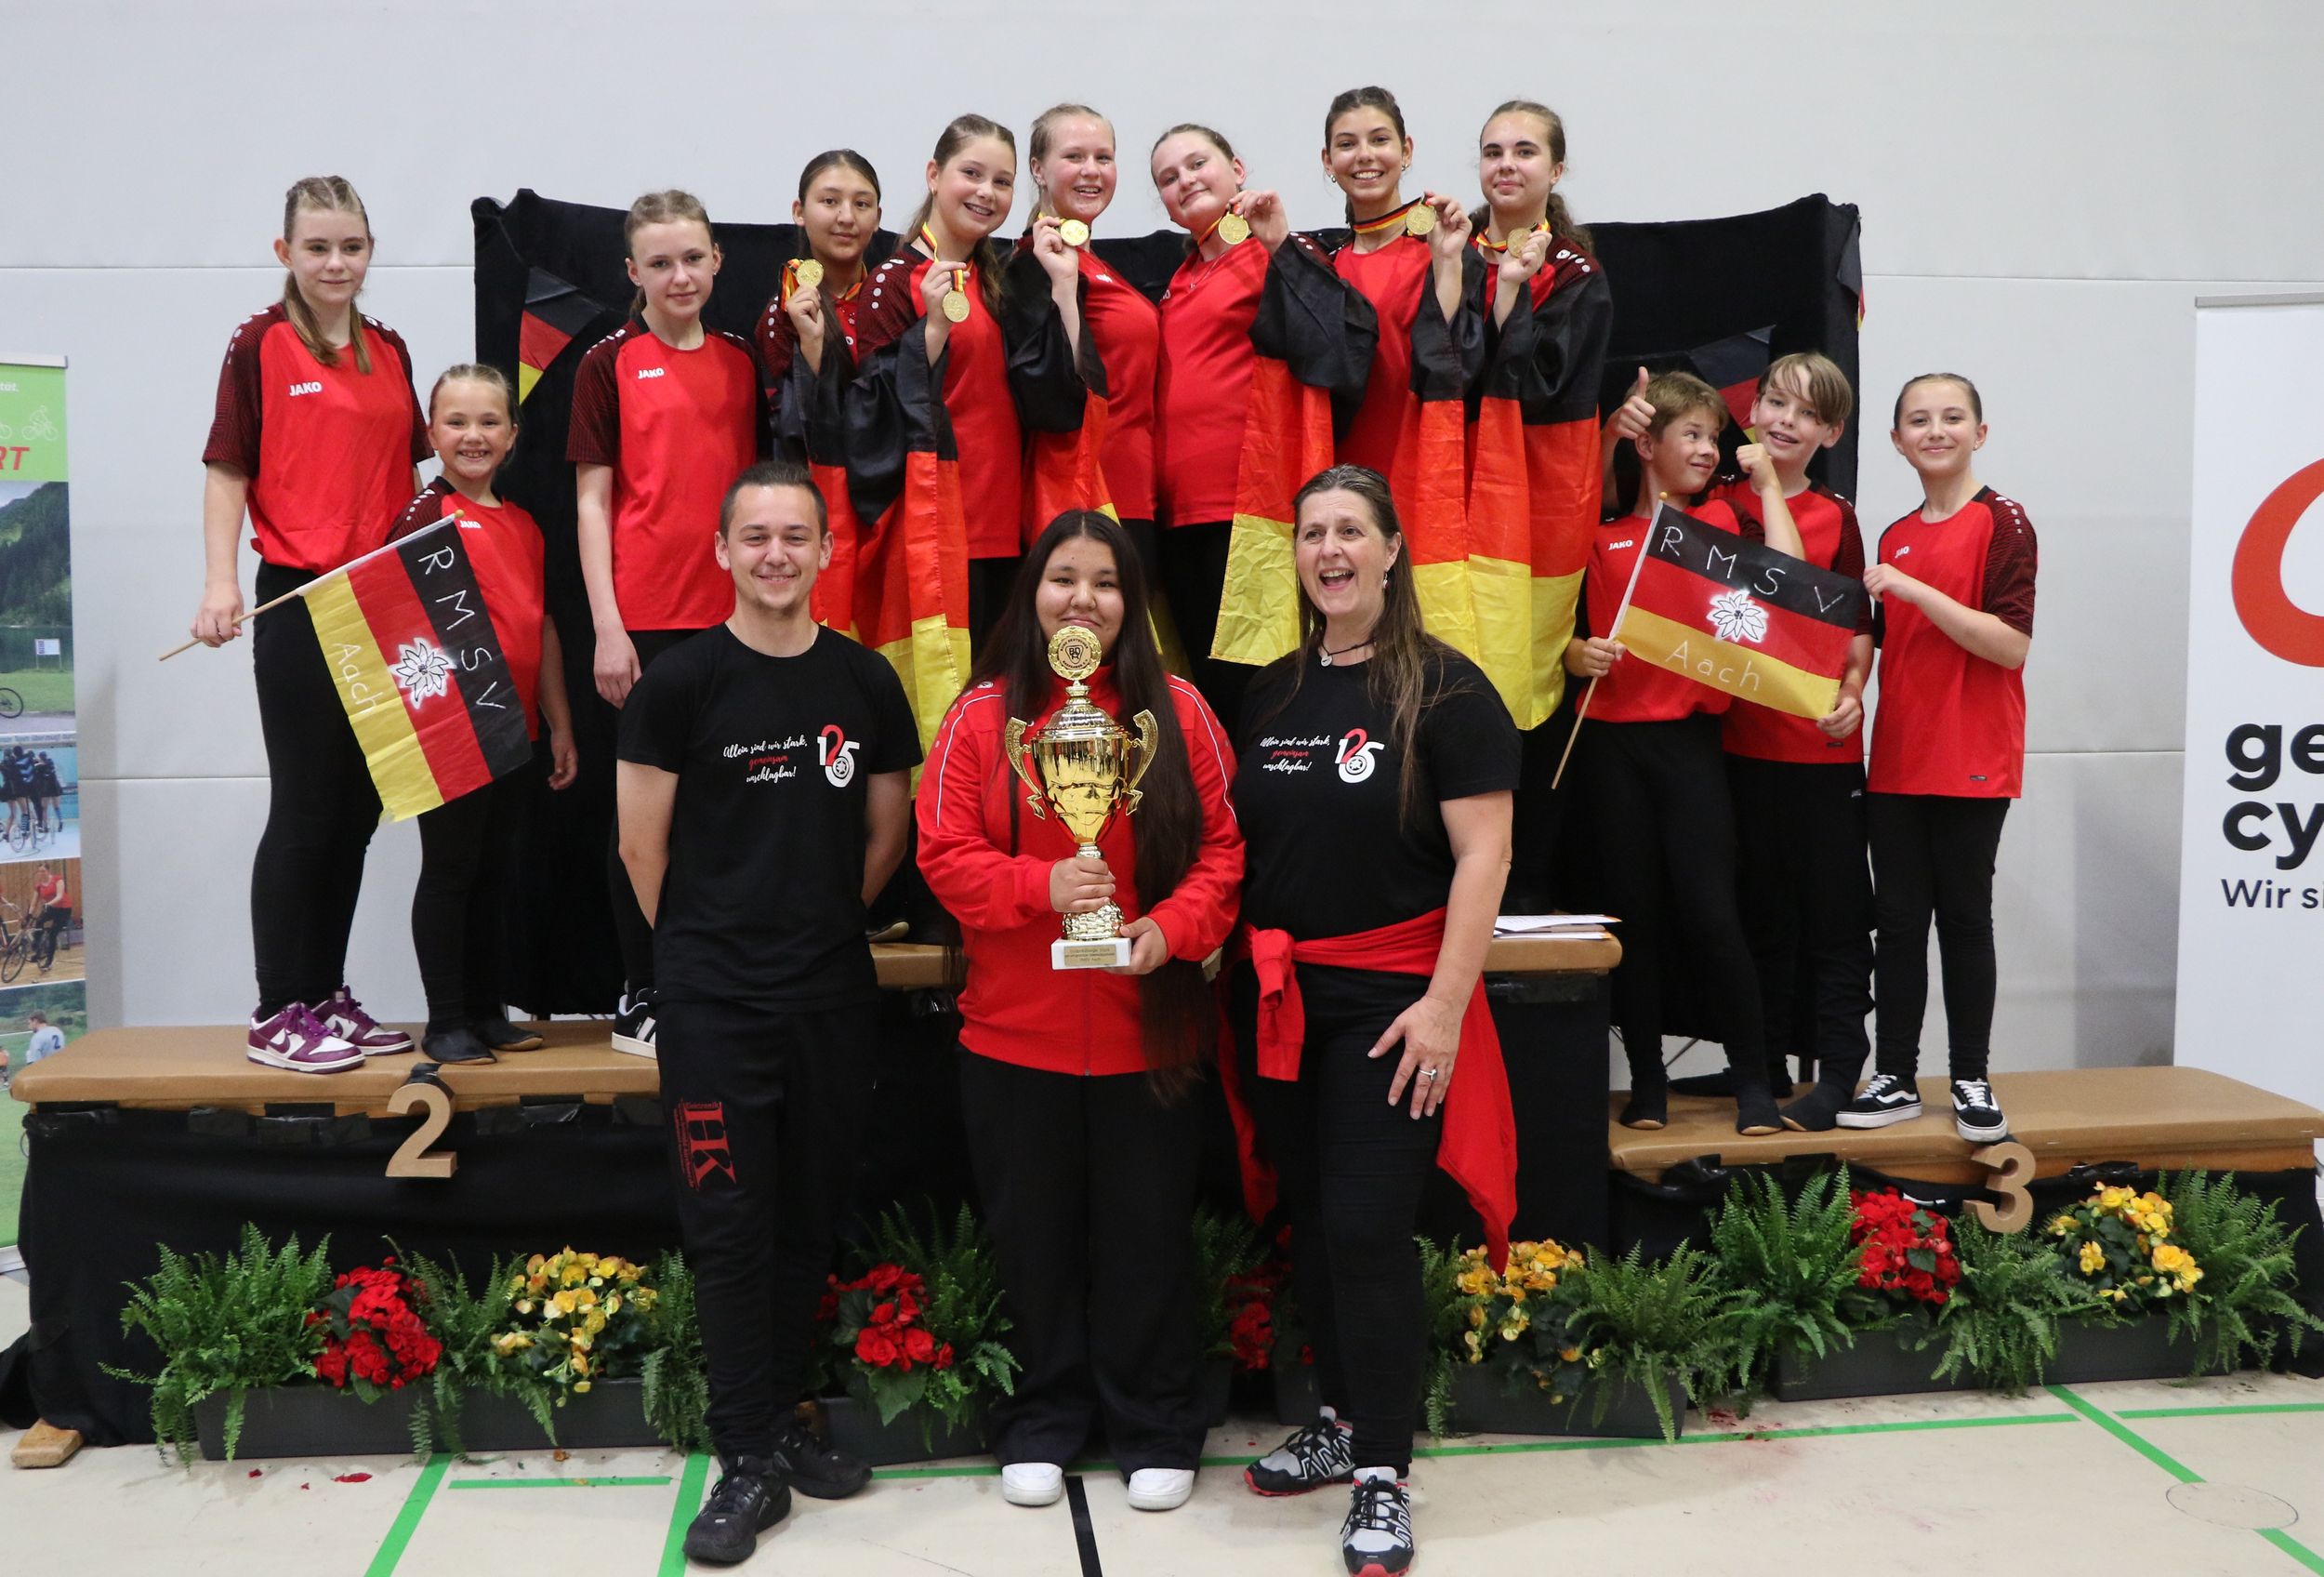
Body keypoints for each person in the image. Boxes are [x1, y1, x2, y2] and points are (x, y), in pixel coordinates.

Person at [616, 460, 918, 1565]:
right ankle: (743, 1454)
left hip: (830, 995)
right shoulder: (679, 684)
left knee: (805, 1220)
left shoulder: (866, 681)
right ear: (722, 551)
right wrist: (716, 948)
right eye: (756, 536)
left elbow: (885, 838)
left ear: (827, 550)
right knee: (729, 1231)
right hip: (713, 1007)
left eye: (796, 536)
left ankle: (782, 1424)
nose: (776, 554)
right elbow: (640, 849)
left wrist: (812, 927)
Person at [917, 510, 1242, 1516]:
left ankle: (1155, 1423)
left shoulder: (1180, 713)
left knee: (1149, 1241)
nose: (1084, 600)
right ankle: (1040, 1422)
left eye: (1106, 583)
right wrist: (1040, 885)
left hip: (1152, 1034)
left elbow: (1224, 853)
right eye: (1064, 578)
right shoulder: (981, 718)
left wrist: (1171, 929)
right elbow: (943, 855)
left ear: (1132, 602)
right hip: (1016, 1039)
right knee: (1034, 1243)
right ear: (1032, 594)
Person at [1229, 465, 1517, 1577]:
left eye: (1351, 530)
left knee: (1364, 1227)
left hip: (1393, 1005)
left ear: (1392, 550)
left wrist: (1443, 1007)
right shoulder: (1272, 691)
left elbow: (1483, 856)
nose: (1330, 550)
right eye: (1313, 532)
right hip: (1283, 1001)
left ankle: (1384, 1475)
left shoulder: (1447, 690)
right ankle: (1341, 1420)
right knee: (1309, 1218)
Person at [193, 175, 427, 1075]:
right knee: (304, 804)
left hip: (383, 598)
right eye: (318, 247)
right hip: (299, 595)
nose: (337, 263)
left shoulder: (391, 348)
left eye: (352, 247)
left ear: (370, 251)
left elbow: (404, 477)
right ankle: (276, 1010)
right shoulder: (261, 343)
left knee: (358, 808)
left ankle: (324, 994)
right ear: (284, 252)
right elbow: (228, 468)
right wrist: (221, 582)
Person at [1566, 371, 1802, 1135]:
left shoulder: (1720, 525)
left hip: (1692, 746)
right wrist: (1577, 655)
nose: (1708, 449)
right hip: (1610, 748)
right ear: (1648, 445)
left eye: (1713, 437)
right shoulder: (1598, 536)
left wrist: (1767, 484)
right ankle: (1647, 1084)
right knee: (1633, 916)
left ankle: (1755, 1081)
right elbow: (1557, 635)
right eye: (1693, 435)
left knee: (1711, 914)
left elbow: (1790, 581)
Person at [569, 189, 769, 1058]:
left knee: (726, 815)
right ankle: (642, 991)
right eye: (660, 263)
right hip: (645, 624)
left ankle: (712, 978)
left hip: (737, 625)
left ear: (717, 259)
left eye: (692, 258)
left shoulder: (742, 359)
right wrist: (608, 627)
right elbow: (592, 502)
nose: (679, 276)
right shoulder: (608, 362)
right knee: (640, 826)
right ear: (633, 272)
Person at [1839, 374, 2035, 1144]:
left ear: (1980, 433)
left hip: (1973, 755)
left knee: (1963, 918)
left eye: (1953, 417)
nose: (1936, 430)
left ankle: (1971, 1079)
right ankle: (1893, 1075)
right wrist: (1847, 692)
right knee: (1896, 923)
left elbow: (2010, 645)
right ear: (1897, 441)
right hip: (1897, 757)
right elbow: (1881, 645)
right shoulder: (1893, 536)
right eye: (1919, 420)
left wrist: (1915, 590)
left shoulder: (2003, 520)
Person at [1697, 354, 1878, 1131]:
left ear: (1830, 433)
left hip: (1818, 754)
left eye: (1806, 414)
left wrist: (1853, 692)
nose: (1784, 421)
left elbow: (1844, 620)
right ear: (1754, 407)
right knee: (1756, 918)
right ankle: (1761, 1061)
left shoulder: (1835, 514)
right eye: (1776, 402)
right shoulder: (1712, 501)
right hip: (1736, 748)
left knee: (1836, 924)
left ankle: (1838, 1074)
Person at [390, 365, 580, 1064]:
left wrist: (559, 723)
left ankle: (485, 1010)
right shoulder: (423, 516)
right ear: (432, 433)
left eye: (489, 422)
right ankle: (446, 1020)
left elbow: (542, 628)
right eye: (457, 422)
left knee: (495, 871)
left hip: (515, 728)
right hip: (453, 732)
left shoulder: (525, 524)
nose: (473, 436)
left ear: (512, 435)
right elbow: (398, 628)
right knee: (450, 870)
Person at [850, 115, 1089, 640]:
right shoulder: (893, 281)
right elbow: (873, 417)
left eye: (1002, 182)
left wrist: (1063, 289)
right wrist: (934, 329)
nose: (987, 192)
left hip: (1011, 529)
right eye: (972, 174)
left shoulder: (1001, 281)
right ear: (934, 174)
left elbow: (1060, 396)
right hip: (936, 531)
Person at [1463, 98, 1612, 907]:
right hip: (1454, 505)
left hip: (1537, 509)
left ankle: (1523, 901)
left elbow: (1538, 384)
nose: (1506, 165)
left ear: (1556, 170)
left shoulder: (1579, 277)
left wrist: (1511, 298)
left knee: (1525, 687)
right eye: (1493, 151)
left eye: (1525, 151)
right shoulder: (1452, 255)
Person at [1148, 122, 1289, 736]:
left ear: (1237, 168)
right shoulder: (1177, 279)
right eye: (1168, 178)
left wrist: (1279, 244)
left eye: (1196, 164)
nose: (1184, 181)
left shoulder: (1269, 253)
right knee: (1202, 691)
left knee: (1255, 688)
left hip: (1245, 509)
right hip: (1176, 516)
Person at [1024, 106, 1160, 568]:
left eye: (1104, 157)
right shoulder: (1035, 265)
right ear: (1038, 169)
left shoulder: (1098, 264)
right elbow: (1050, 391)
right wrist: (1062, 289)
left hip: (1138, 488)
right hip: (1088, 494)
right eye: (1074, 156)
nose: (1091, 170)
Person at [758, 150, 883, 437]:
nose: (847, 217)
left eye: (861, 204)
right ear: (799, 211)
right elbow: (787, 428)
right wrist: (811, 347)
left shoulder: (893, 299)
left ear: (877, 218)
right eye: (830, 201)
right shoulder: (784, 314)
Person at [32, 863, 69, 975]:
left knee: (52, 934)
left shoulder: (57, 879)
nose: (41, 873)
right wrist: (29, 913)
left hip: (64, 909)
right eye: (39, 871)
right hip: (51, 908)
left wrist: (48, 904)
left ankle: (49, 961)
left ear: (48, 871)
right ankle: (38, 949)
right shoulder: (39, 886)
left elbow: (59, 896)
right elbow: (33, 903)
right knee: (38, 922)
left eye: (43, 871)